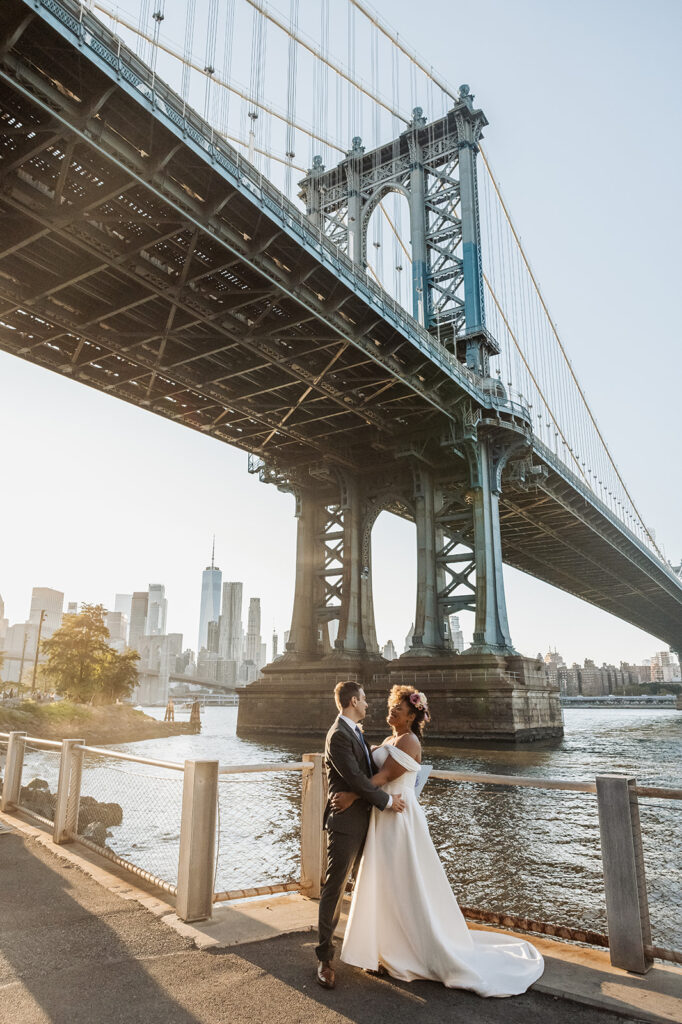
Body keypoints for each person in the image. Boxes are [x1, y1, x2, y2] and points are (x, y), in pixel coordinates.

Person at [333, 685, 545, 998]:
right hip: (385, 810)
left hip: (398, 815)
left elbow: (384, 776)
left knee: (404, 879)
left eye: (398, 710)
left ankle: (412, 948)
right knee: (386, 879)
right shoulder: (392, 738)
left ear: (412, 715)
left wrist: (351, 795)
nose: (391, 712)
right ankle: (385, 944)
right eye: (392, 708)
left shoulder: (409, 740)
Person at [315, 680, 406, 991]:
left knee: (368, 884)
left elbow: (364, 776)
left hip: (365, 818)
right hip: (345, 824)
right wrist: (388, 801)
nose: (368, 704)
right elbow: (354, 777)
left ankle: (370, 950)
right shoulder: (338, 736)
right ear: (353, 701)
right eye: (364, 699)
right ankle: (325, 959)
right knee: (335, 887)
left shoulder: (355, 732)